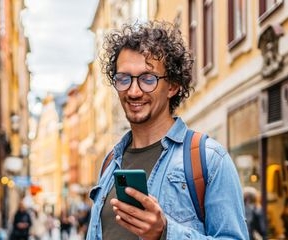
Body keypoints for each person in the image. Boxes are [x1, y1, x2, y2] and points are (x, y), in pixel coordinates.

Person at [85, 21, 248, 240]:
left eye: (147, 79)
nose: (133, 91)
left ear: (172, 86)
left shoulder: (209, 159)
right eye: (124, 79)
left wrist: (165, 232)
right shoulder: (110, 162)